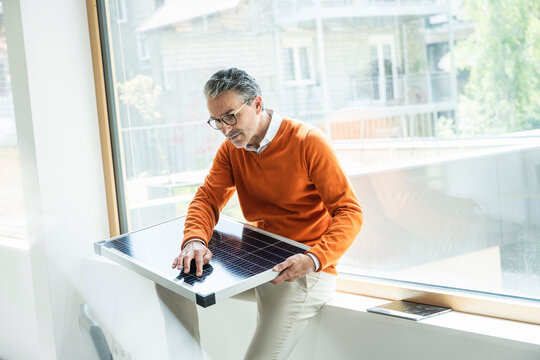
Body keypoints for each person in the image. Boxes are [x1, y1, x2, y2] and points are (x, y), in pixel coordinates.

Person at [158, 67, 363, 360]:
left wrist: (312, 259)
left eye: (231, 116)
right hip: (258, 262)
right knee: (173, 279)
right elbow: (207, 198)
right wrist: (195, 241)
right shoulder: (231, 151)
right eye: (217, 121)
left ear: (256, 103)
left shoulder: (307, 141)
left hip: (302, 272)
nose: (226, 129)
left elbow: (350, 212)